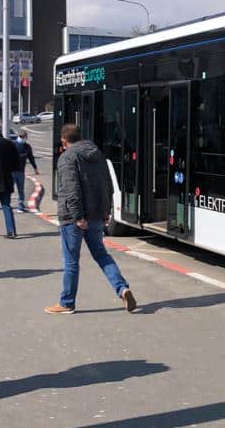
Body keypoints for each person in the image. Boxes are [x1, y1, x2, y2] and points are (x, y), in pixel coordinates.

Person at [46, 123, 136, 315]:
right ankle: (122, 288)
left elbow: (71, 189)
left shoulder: (67, 157)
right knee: (102, 255)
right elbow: (109, 184)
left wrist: (78, 216)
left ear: (63, 141)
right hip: (97, 214)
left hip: (74, 218)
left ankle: (67, 302)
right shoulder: (98, 154)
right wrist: (107, 211)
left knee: (71, 261)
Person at [13, 128, 40, 212]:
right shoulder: (13, 145)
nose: (23, 138)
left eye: (23, 137)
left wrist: (35, 168)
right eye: (22, 137)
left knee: (20, 189)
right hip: (12, 171)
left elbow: (31, 158)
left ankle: (20, 206)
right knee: (12, 188)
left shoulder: (27, 147)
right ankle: (9, 205)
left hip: (20, 171)